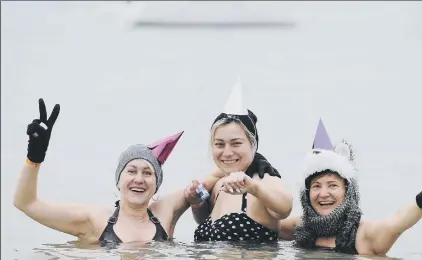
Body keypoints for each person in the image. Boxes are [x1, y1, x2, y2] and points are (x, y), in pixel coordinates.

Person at [13, 98, 225, 246]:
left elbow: (218, 172)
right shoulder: (95, 220)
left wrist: (253, 157)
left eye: (148, 173)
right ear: (118, 180)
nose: (139, 179)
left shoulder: (165, 211)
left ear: (157, 185)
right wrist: (34, 158)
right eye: (131, 171)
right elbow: (27, 204)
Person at [278, 119, 422, 255]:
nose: (323, 194)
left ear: (348, 192)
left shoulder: (363, 235)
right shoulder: (300, 227)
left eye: (332, 185)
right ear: (307, 194)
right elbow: (259, 223)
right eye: (316, 186)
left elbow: (395, 224)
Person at [193, 80, 293, 243]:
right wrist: (196, 203)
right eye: (219, 144)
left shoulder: (264, 180)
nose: (227, 152)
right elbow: (202, 221)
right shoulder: (218, 184)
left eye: (236, 143)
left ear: (253, 145)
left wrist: (253, 188)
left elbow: (285, 208)